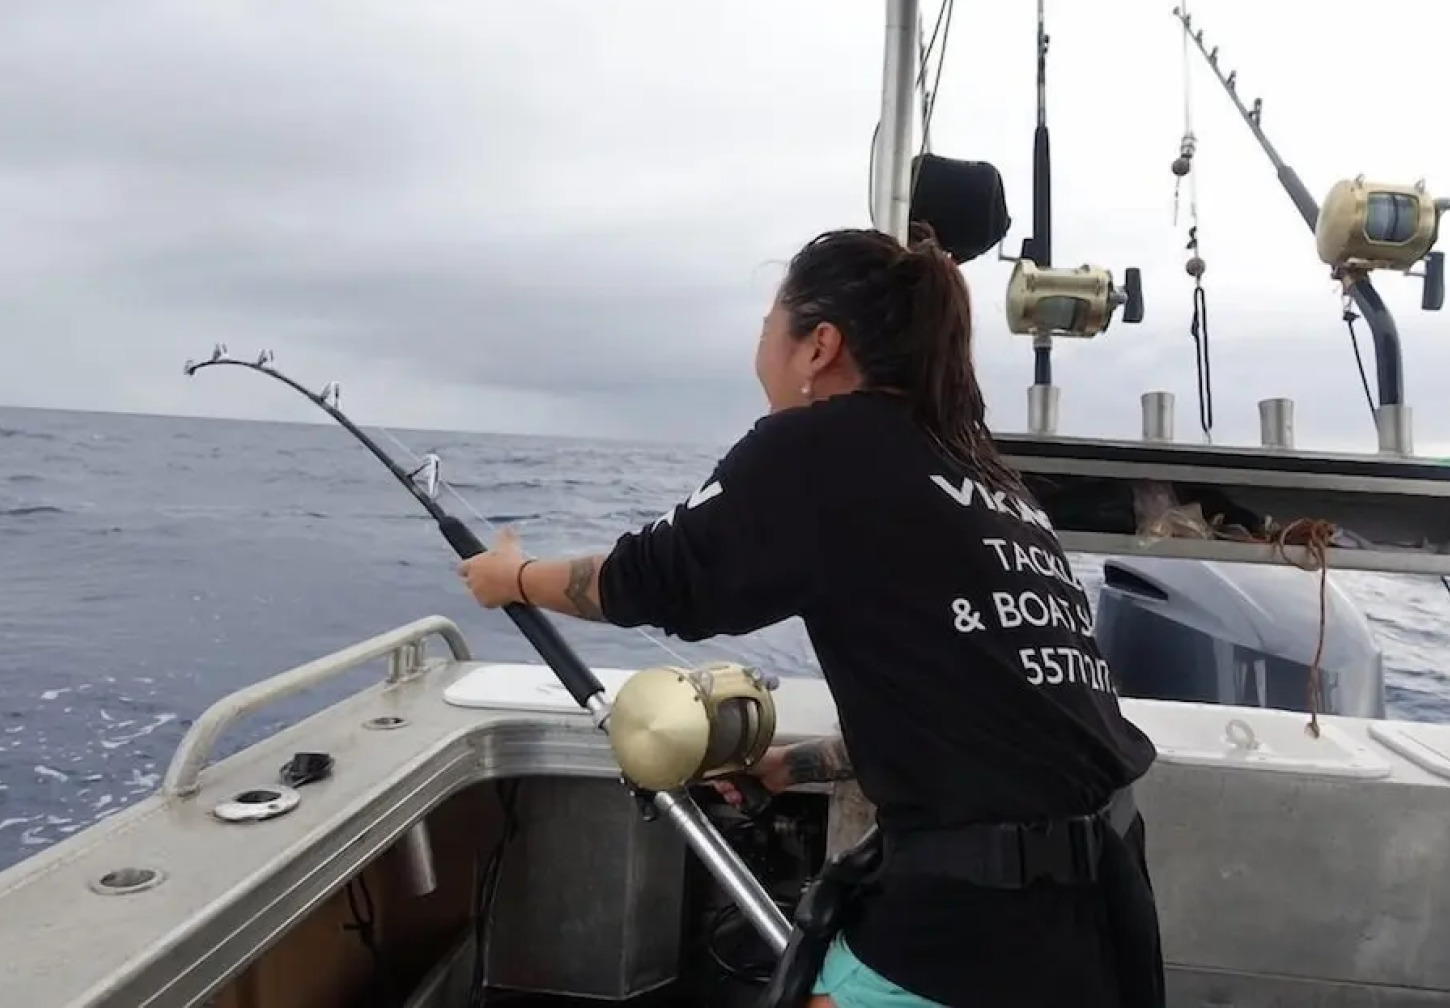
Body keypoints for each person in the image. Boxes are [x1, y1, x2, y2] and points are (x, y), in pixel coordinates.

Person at [458, 225, 1165, 1008]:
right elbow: (979, 708)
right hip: (1097, 916)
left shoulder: (819, 448)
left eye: (770, 325)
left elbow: (648, 580)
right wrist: (791, 766)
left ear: (817, 346)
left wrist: (512, 577)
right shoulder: (981, 474)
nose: (760, 344)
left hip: (970, 933)